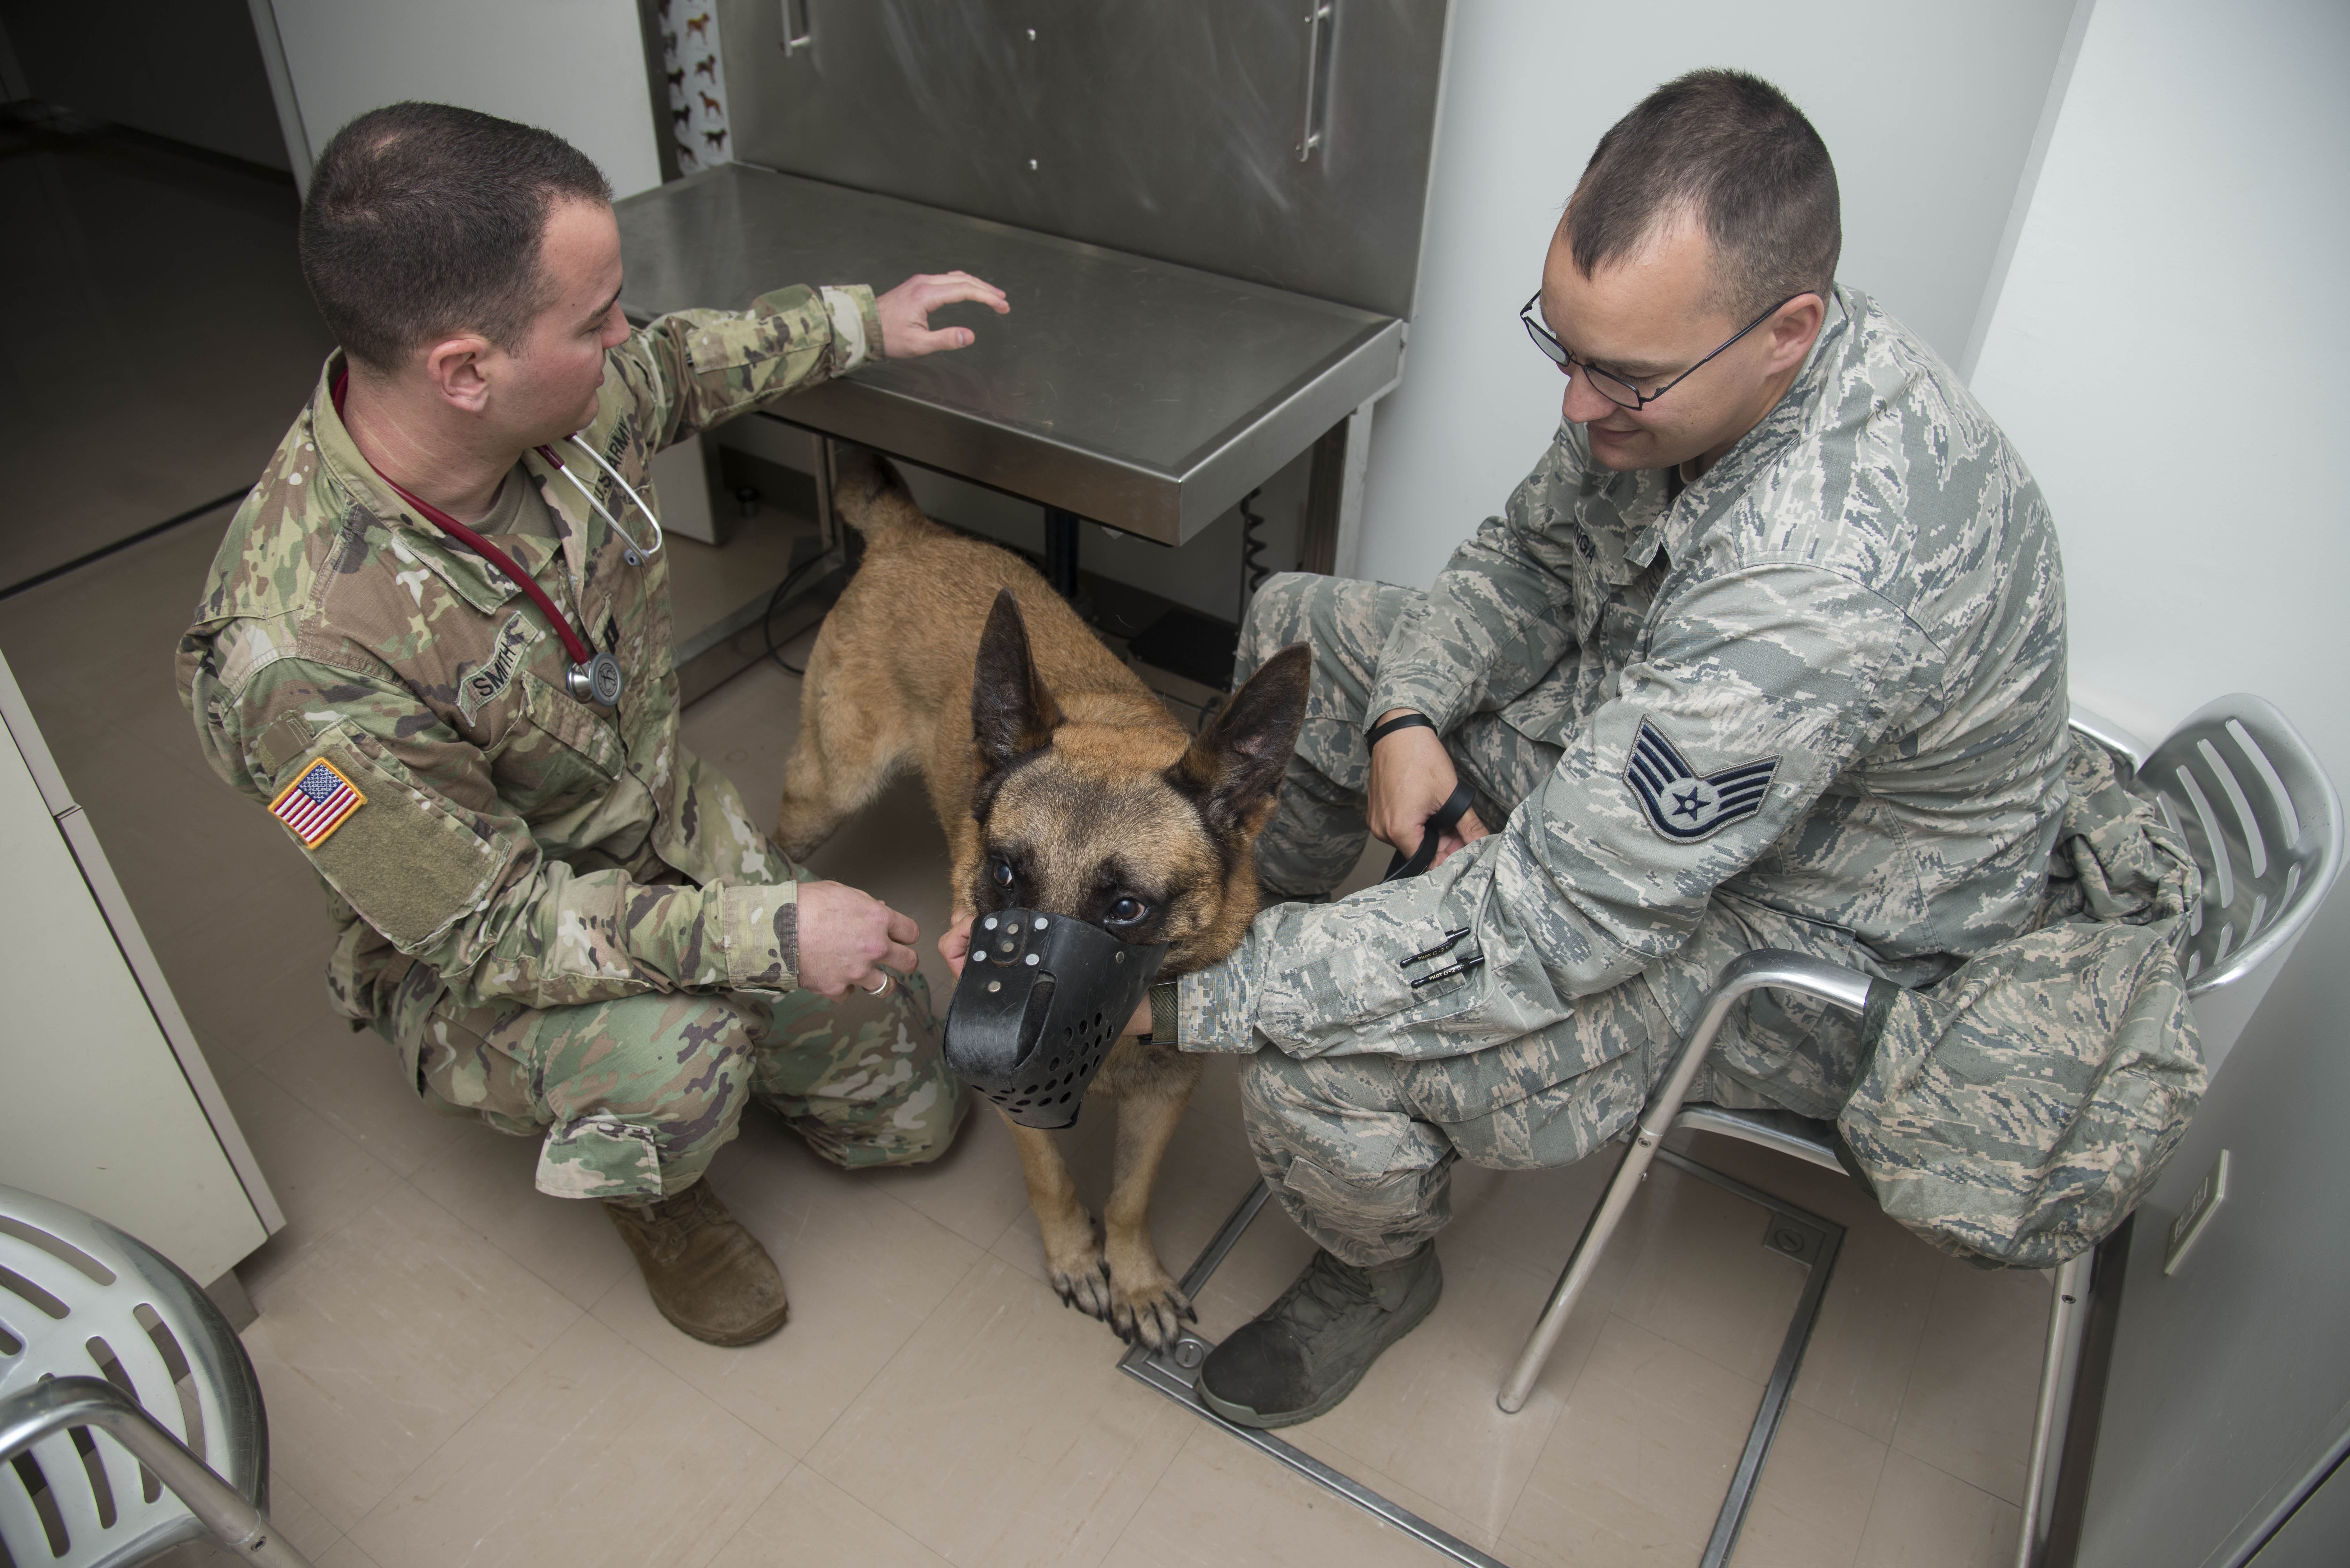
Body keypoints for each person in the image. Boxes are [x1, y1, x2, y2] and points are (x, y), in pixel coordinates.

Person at [1136, 69, 2081, 1426]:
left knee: (1311, 1065)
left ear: (1788, 328)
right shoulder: (1680, 369)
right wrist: (1404, 714)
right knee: (1309, 629)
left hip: (1803, 927)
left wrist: (1180, 1004)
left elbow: (1553, 921)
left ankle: (1370, 1266)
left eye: (1619, 377)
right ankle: (1228, 921)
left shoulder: (1824, 581)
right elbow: (1526, 558)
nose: (1579, 411)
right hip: (1663, 762)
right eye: (1560, 352)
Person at [178, 102, 1009, 1347]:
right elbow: (502, 929)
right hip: (488, 952)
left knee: (918, 1123)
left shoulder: (562, 405)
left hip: (657, 845)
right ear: (465, 368)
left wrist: (859, 323)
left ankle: (743, 1027)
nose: (622, 334)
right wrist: (771, 927)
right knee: (683, 1059)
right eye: (592, 317)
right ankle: (651, 1183)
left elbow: (680, 364)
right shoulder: (300, 661)